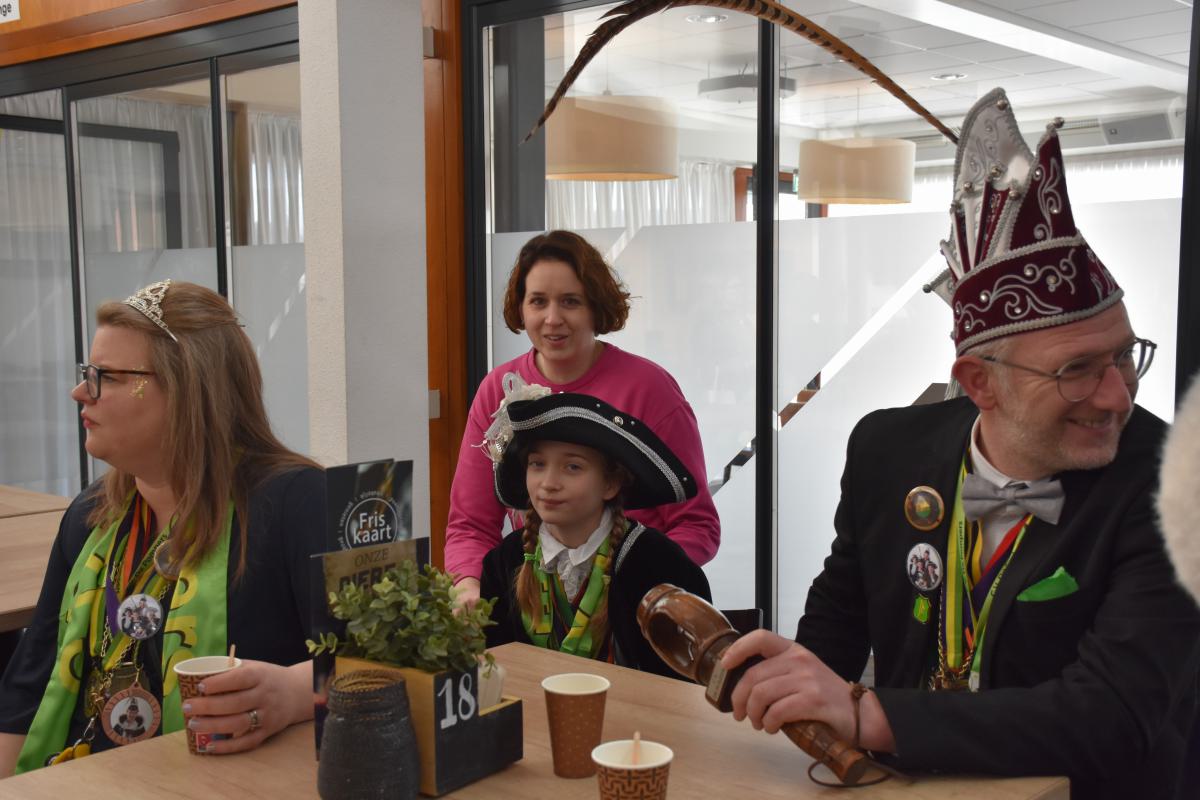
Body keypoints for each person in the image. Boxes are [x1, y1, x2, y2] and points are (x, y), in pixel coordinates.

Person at [720, 88, 1200, 799]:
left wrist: (869, 713)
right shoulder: (885, 449)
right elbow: (839, 624)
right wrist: (791, 678)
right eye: (1076, 371)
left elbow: (1112, 715)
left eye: (1124, 356)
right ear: (980, 382)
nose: (1117, 396)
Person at [0, 280, 324, 774]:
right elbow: (27, 692)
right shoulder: (90, 515)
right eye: (88, 373)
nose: (80, 392)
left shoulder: (298, 502)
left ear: (188, 387)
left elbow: (385, 665)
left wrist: (295, 692)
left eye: (105, 376)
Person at [446, 230, 720, 607]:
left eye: (570, 302)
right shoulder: (497, 389)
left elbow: (696, 524)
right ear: (520, 308)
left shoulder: (650, 389)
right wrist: (470, 588)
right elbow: (471, 525)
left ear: (596, 306)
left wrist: (642, 584)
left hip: (633, 609)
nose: (552, 319)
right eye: (538, 301)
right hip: (532, 608)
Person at [478, 392, 711, 677]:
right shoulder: (503, 562)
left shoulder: (659, 563)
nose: (549, 483)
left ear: (611, 483)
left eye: (573, 467)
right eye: (537, 464)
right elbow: (496, 670)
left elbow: (688, 679)